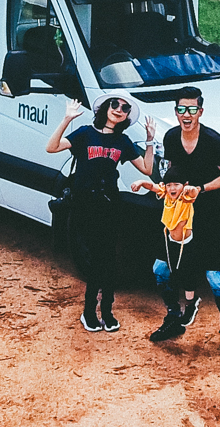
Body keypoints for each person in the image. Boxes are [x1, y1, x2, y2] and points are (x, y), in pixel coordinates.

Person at [131, 85, 220, 352]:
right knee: (160, 269)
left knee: (215, 277)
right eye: (181, 109)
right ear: (176, 112)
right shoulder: (170, 138)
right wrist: (157, 187)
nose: (186, 114)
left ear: (200, 111)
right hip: (179, 219)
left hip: (209, 216)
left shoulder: (214, 141)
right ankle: (174, 317)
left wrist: (201, 189)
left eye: (192, 109)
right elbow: (170, 176)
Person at [46, 95, 158, 332]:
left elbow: (147, 169)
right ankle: (89, 312)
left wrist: (149, 141)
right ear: (105, 108)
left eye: (124, 108)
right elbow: (51, 147)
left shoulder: (123, 141)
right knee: (97, 258)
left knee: (108, 258)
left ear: (127, 115)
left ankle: (106, 310)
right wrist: (67, 119)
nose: (119, 110)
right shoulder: (86, 133)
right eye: (114, 105)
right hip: (85, 205)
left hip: (110, 204)